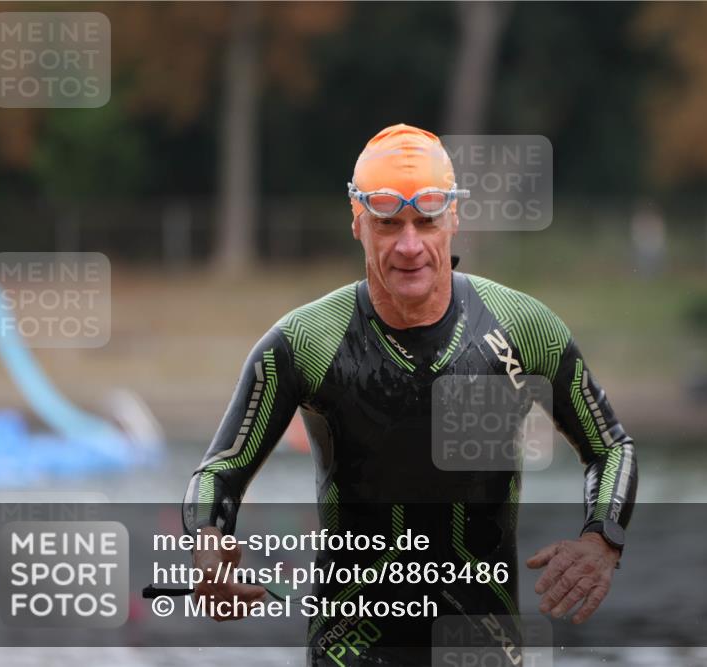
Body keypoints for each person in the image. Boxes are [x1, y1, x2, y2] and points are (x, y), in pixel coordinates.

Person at [182, 124, 637, 666]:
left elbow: (610, 447)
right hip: (350, 647)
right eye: (387, 223)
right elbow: (218, 474)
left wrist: (601, 537)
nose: (409, 245)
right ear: (357, 222)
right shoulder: (305, 343)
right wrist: (206, 544)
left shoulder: (523, 328)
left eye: (426, 221)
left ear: (454, 218)